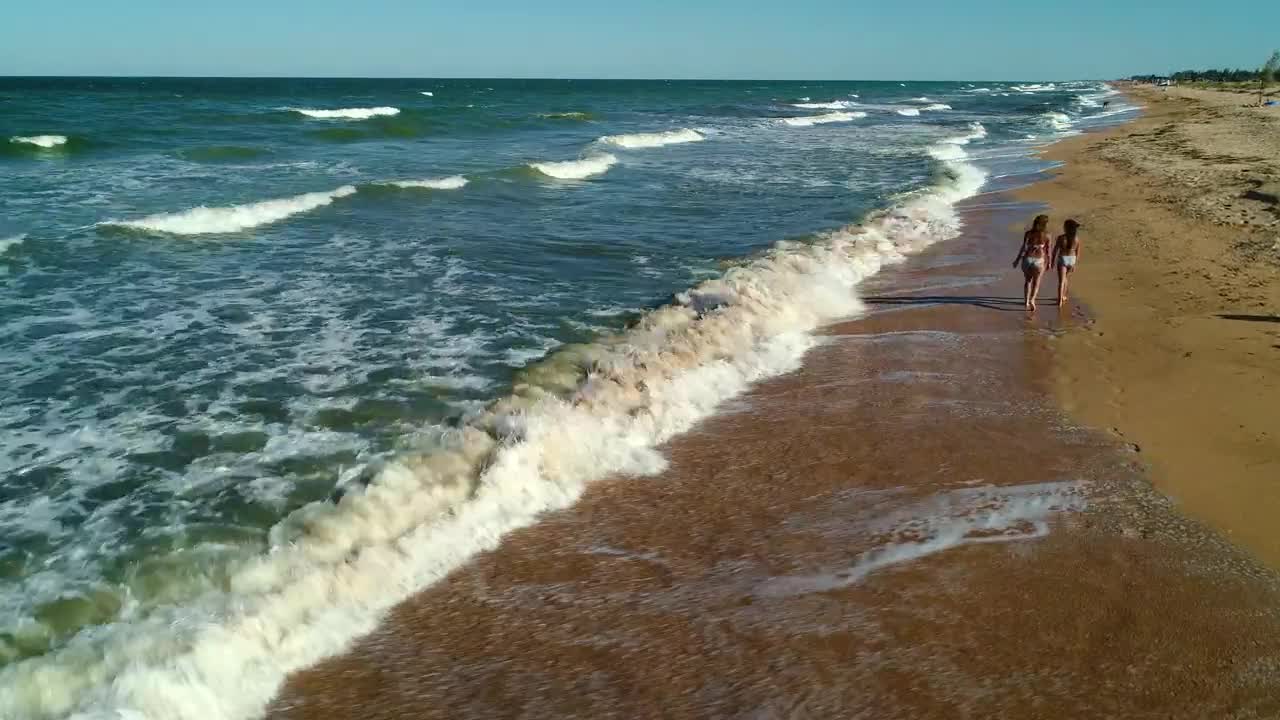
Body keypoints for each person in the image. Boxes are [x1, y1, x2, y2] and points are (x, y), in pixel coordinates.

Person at [1012, 214, 1052, 312]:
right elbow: (1048, 251)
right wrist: (1050, 262)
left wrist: (1017, 260)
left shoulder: (1028, 233)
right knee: (1036, 283)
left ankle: (1026, 302)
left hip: (1028, 259)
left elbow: (1023, 248)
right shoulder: (1047, 235)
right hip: (1039, 260)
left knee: (1028, 281)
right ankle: (1032, 300)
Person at [1050, 219, 1082, 306]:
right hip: (1072, 259)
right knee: (1066, 278)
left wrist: (1052, 261)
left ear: (1066, 228)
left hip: (1063, 258)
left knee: (1061, 281)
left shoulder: (1061, 238)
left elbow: (1055, 250)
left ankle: (1059, 300)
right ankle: (1064, 295)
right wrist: (1075, 264)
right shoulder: (1076, 239)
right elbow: (1078, 253)